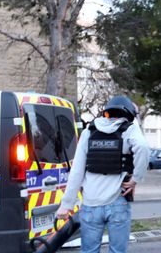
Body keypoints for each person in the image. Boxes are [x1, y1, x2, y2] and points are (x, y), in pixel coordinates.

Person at [55, 96, 150, 253]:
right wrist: (135, 179)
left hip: (91, 203)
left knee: (89, 250)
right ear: (128, 115)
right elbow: (143, 148)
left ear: (107, 112)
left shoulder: (89, 132)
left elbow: (77, 170)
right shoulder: (130, 130)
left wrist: (66, 205)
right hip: (118, 202)